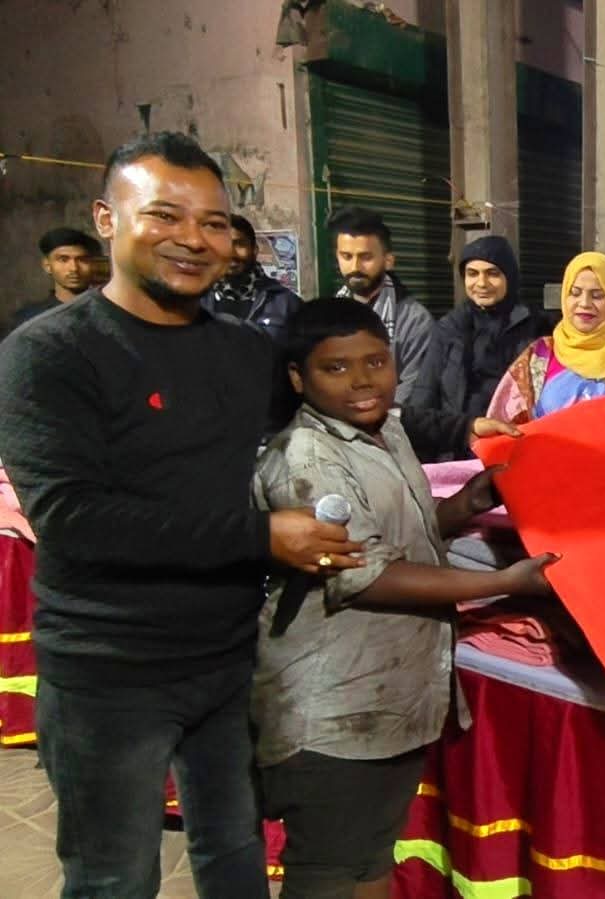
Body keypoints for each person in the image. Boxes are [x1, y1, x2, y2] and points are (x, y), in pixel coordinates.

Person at [0, 131, 362, 898]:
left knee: (234, 855)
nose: (193, 239)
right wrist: (262, 536)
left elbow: (328, 401)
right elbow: (73, 519)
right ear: (106, 219)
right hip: (109, 673)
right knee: (113, 876)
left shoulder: (240, 350)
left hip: (225, 657)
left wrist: (469, 431)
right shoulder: (49, 353)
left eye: (213, 222)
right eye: (165, 215)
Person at [254, 298, 558, 898]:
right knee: (329, 870)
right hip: (334, 707)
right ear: (298, 378)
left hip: (388, 698)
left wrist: (468, 503)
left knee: (370, 857)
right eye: (335, 368)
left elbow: (403, 537)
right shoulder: (307, 457)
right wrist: (505, 582)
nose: (362, 381)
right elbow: (368, 574)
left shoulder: (386, 430)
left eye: (376, 362)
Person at [486, 251, 605, 422]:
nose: (584, 303)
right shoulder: (541, 356)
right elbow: (507, 423)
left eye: (598, 296)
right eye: (575, 293)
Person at [413, 234, 543, 420]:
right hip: (459, 434)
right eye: (472, 274)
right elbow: (424, 396)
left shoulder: (535, 326)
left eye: (493, 273)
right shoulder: (450, 328)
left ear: (509, 276)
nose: (481, 283)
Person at [329, 206, 435, 403]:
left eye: (366, 257)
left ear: (388, 261)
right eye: (347, 256)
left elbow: (415, 388)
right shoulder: (326, 316)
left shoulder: (414, 320)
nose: (355, 267)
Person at [201, 213, 303, 343]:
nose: (231, 253)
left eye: (239, 244)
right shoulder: (196, 301)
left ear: (254, 250)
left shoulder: (285, 303)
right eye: (222, 245)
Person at [10, 227, 102, 329]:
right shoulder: (29, 318)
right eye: (63, 260)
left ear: (93, 265)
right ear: (47, 266)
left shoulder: (106, 312)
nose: (74, 268)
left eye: (82, 260)